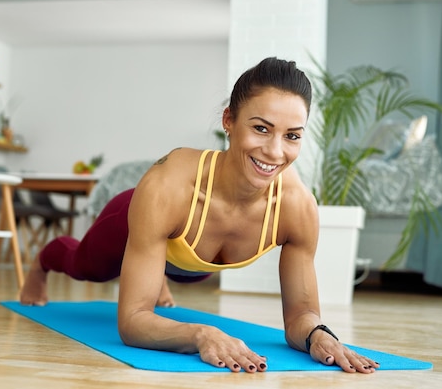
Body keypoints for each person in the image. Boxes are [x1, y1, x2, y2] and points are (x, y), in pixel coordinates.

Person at [20, 57, 379, 374]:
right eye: (261, 128)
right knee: (86, 267)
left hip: (193, 266)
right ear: (228, 120)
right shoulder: (168, 186)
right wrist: (199, 333)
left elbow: (301, 315)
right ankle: (41, 264)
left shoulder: (297, 206)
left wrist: (319, 335)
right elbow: (132, 322)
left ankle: (155, 272)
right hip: (135, 218)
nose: (275, 151)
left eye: (292, 136)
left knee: (189, 279)